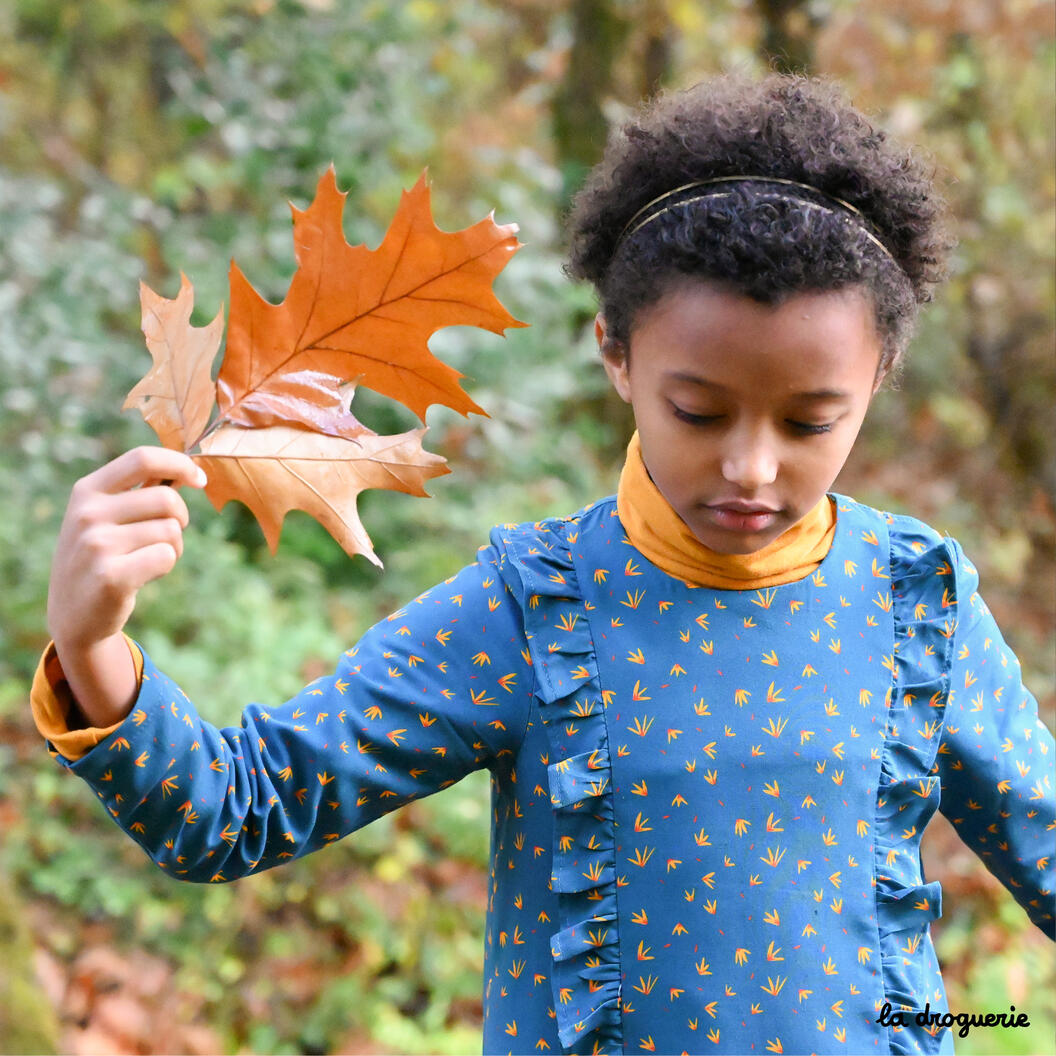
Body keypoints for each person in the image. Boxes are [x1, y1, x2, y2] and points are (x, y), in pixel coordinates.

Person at [32, 73, 1054, 1056]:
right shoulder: (539, 609)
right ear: (615, 351)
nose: (751, 465)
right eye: (697, 411)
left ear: (876, 374)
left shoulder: (917, 602)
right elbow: (238, 808)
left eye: (809, 420)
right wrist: (92, 643)